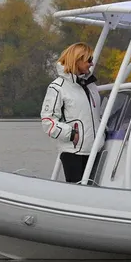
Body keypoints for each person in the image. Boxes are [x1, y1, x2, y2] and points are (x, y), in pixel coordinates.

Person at [40, 42, 102, 183]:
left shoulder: (91, 86)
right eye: (89, 60)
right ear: (77, 60)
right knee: (77, 189)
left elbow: (95, 115)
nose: (91, 64)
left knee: (93, 191)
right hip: (73, 152)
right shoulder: (57, 87)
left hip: (95, 150)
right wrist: (71, 134)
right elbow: (47, 121)